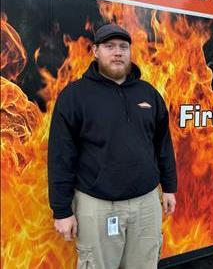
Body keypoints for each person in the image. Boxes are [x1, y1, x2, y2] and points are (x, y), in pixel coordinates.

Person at [48, 23, 177, 269]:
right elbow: (61, 157)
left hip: (146, 203)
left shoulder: (148, 94)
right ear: (95, 51)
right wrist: (61, 210)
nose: (117, 52)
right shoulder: (75, 96)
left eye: (123, 47)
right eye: (109, 47)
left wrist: (169, 187)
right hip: (98, 206)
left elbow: (162, 144)